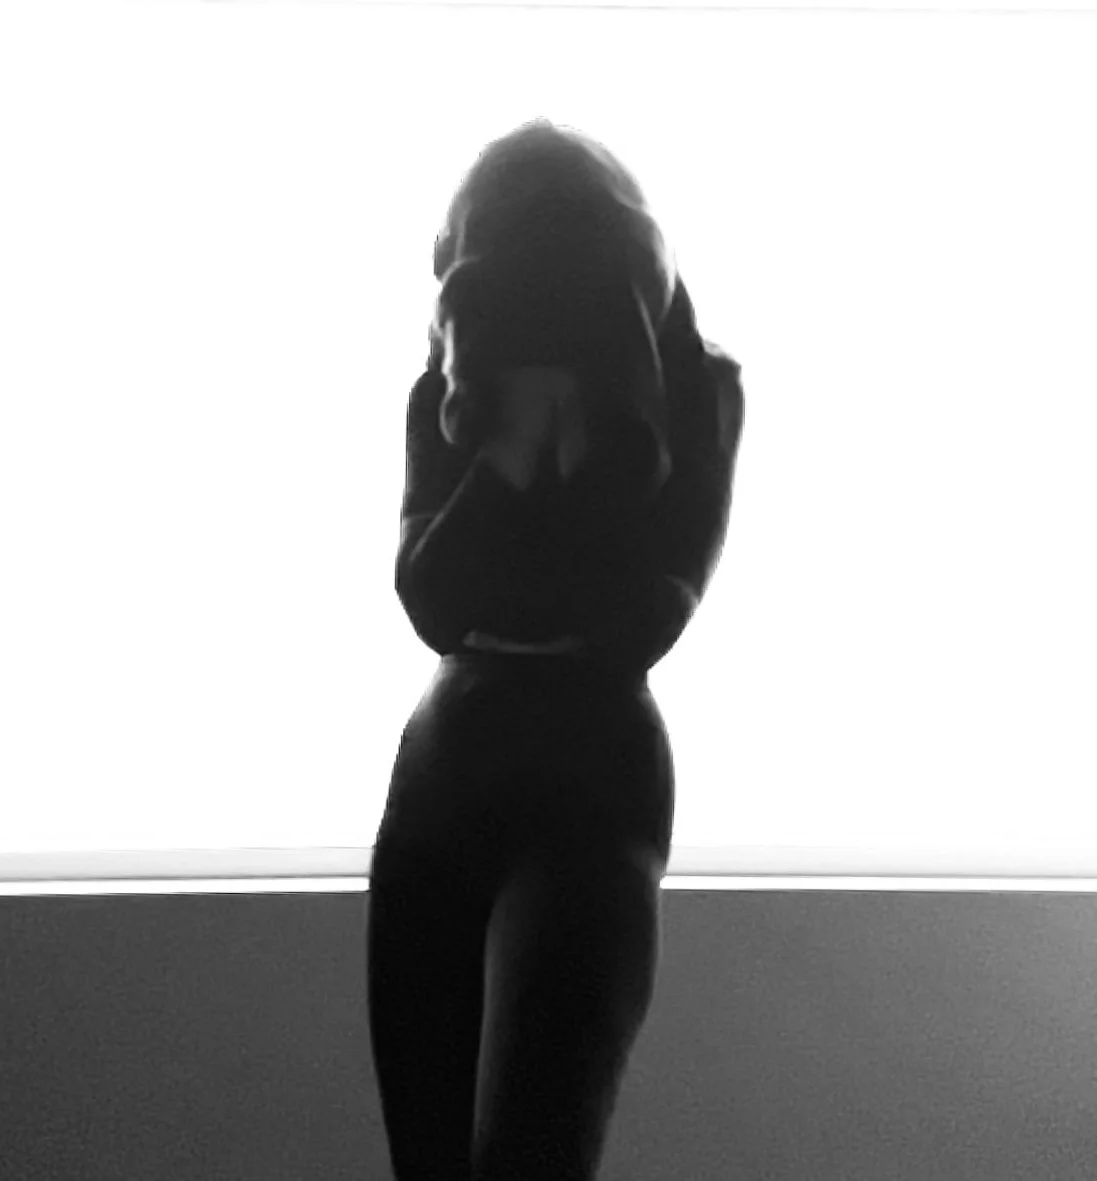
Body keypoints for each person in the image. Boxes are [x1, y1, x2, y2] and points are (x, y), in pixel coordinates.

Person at [365, 118, 745, 1181]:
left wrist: (586, 442)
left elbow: (644, 618)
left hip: (595, 774)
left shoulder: (697, 394)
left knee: (536, 1152)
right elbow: (433, 600)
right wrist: (511, 449)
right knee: (426, 1159)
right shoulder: (452, 391)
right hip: (447, 760)